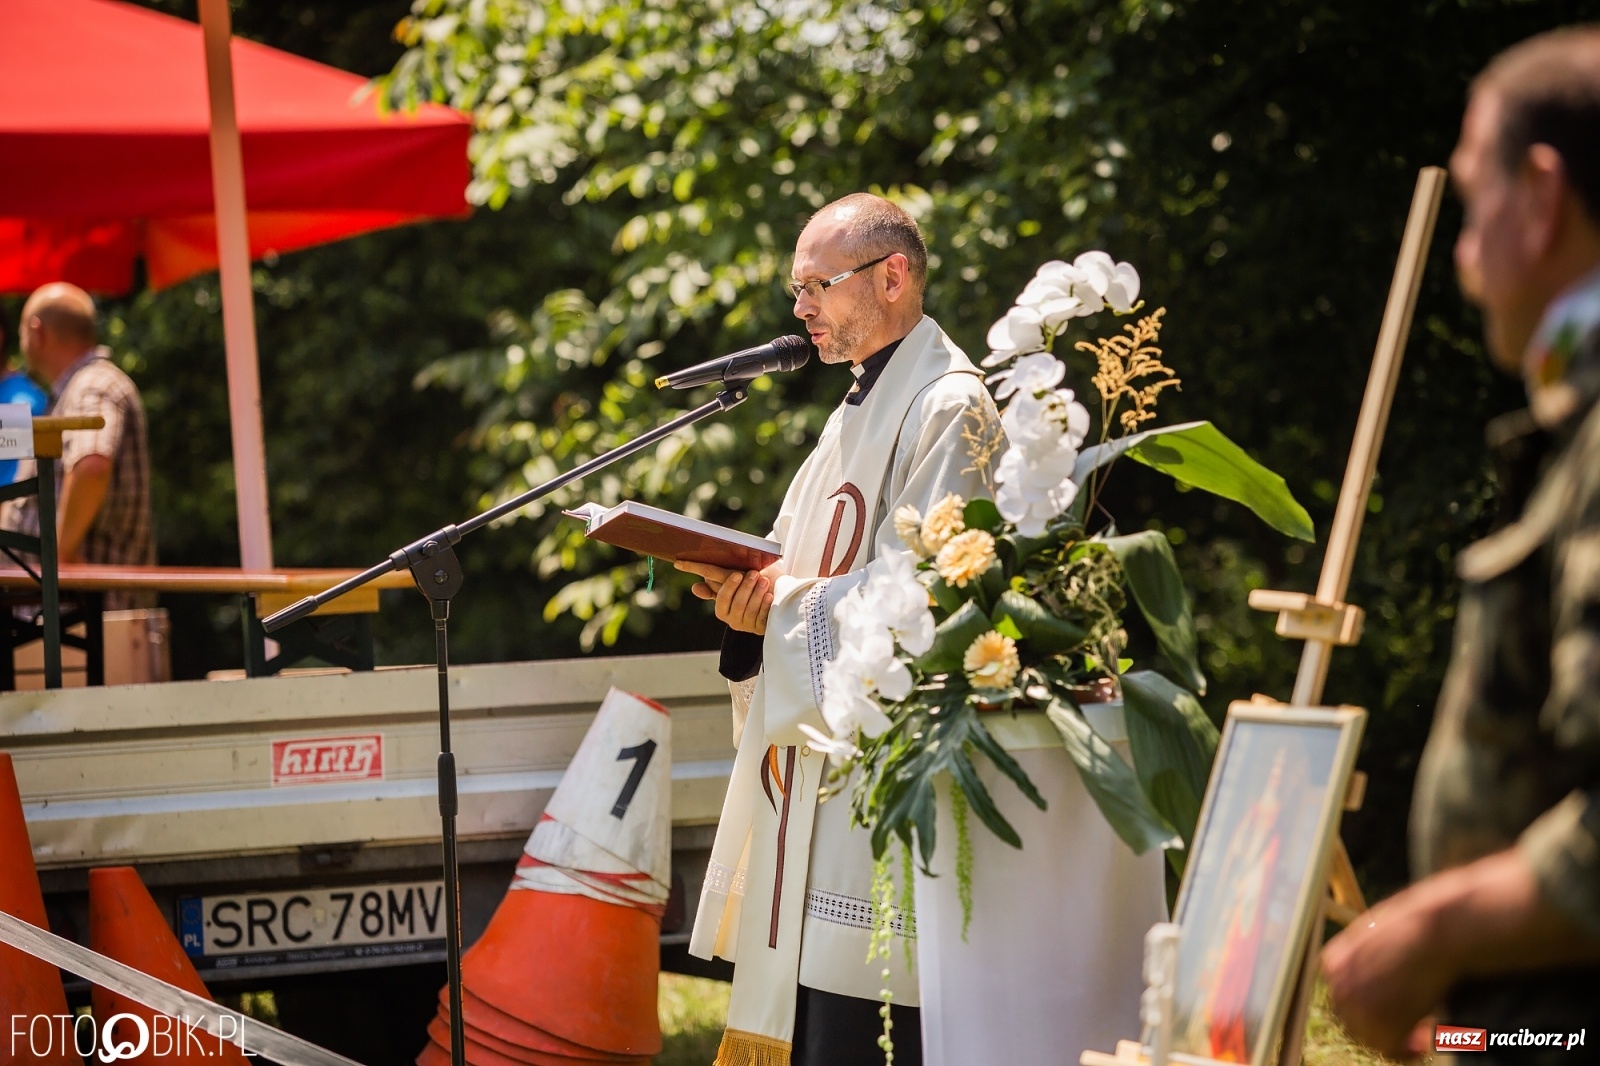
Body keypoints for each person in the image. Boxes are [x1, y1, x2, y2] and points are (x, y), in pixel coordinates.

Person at [1322, 27, 1600, 1063]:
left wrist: (1434, 930)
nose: (1461, 255)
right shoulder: (1572, 413)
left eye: (1476, 197)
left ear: (1539, 196)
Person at [678, 193, 1001, 1066]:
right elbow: (794, 560)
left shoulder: (948, 406)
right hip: (818, 773)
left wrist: (780, 603)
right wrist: (746, 601)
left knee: (861, 1028)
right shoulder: (852, 412)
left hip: (884, 773)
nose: (800, 310)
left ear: (893, 276)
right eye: (796, 290)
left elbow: (933, 589)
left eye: (817, 285)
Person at [2, 283, 155, 609]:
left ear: (36, 332)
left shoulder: (93, 385)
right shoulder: (72, 391)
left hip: (84, 614)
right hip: (69, 608)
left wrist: (62, 552)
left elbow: (92, 464)